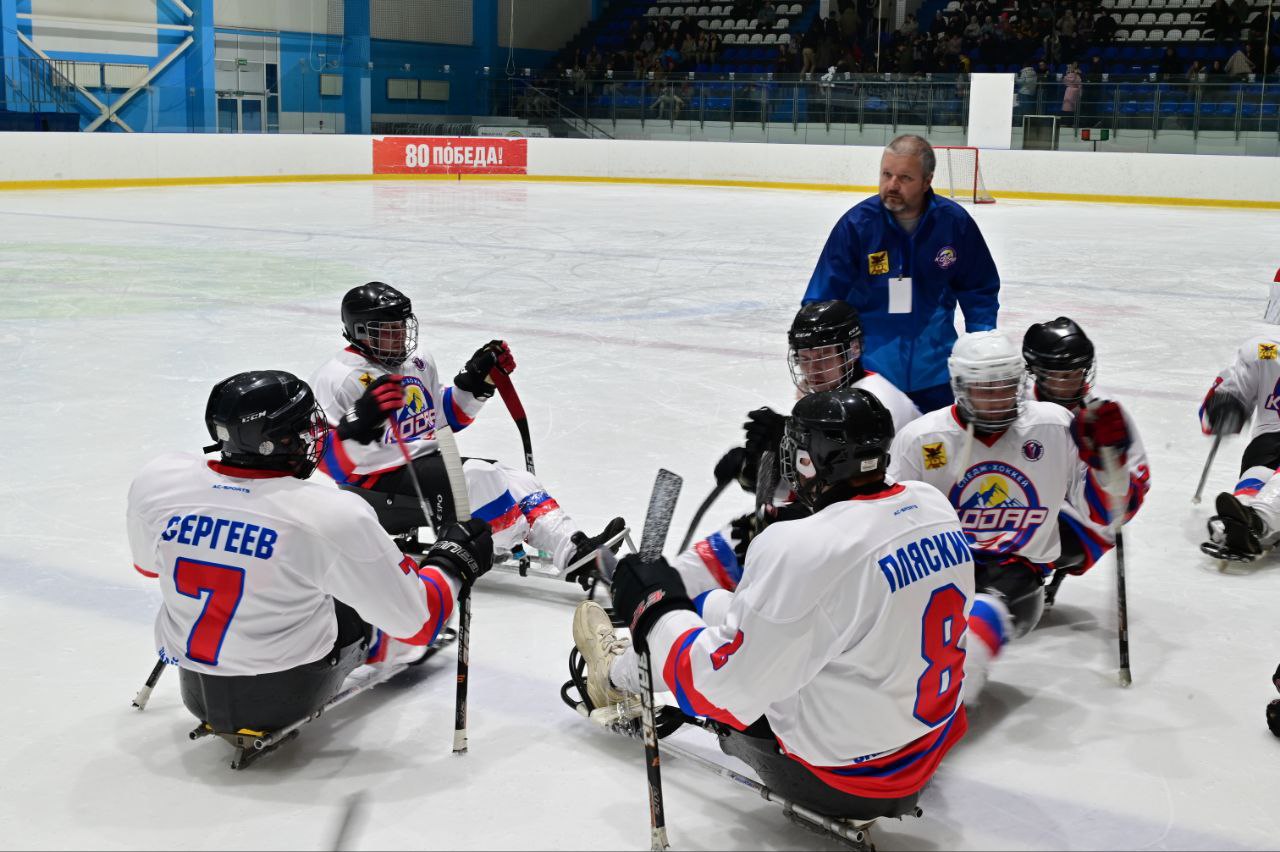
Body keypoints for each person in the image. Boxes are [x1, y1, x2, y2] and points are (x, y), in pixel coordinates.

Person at [567, 388, 975, 820]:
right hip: (927, 742)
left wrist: (655, 607)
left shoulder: (805, 548)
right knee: (716, 603)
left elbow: (720, 690)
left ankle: (611, 677)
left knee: (703, 632)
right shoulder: (931, 503)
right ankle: (625, 668)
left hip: (846, 775)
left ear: (811, 458)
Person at [126, 370, 495, 734]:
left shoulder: (160, 480)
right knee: (356, 583)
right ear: (275, 442)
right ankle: (385, 647)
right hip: (287, 691)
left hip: (195, 685)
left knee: (299, 573)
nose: (314, 436)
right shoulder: (330, 514)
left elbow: (148, 567)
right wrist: (452, 559)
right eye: (302, 429)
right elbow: (420, 623)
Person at [310, 282, 624, 585]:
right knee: (481, 476)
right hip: (374, 482)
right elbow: (325, 459)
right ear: (361, 332)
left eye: (402, 327)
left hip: (422, 463)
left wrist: (477, 382)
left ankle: (576, 550)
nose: (400, 336)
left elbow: (441, 419)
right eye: (388, 330)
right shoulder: (339, 376)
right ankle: (497, 541)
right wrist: (360, 422)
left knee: (515, 478)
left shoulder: (417, 361)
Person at [887, 330, 1134, 701]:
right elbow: (889, 522)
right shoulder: (922, 438)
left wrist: (1108, 462)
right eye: (985, 389)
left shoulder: (1054, 426)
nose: (998, 399)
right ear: (959, 385)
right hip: (940, 567)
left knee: (982, 614)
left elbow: (1106, 512)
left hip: (1018, 572)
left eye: (1006, 386)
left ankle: (957, 687)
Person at [803, 134, 1001, 413]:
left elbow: (979, 290)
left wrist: (981, 349)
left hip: (936, 375)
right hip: (869, 377)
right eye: (886, 174)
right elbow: (820, 302)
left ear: (927, 180)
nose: (892, 185)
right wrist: (817, 362)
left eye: (905, 178)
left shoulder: (954, 224)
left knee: (935, 454)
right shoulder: (856, 225)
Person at [713, 300, 921, 516]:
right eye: (804, 359)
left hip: (899, 517)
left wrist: (783, 515)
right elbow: (816, 486)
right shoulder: (835, 402)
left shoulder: (872, 403)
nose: (812, 370)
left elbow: (860, 496)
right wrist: (757, 469)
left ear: (854, 349)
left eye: (823, 356)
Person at [1022, 317, 1150, 583]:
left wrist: (1111, 464)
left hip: (1082, 525)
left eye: (1079, 372)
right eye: (1063, 376)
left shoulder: (1103, 416)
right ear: (1038, 372)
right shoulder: (1016, 406)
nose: (1074, 382)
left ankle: (1026, 581)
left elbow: (1132, 493)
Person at [1197, 328, 1280, 561]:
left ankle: (1257, 520)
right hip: (1271, 441)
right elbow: (1232, 386)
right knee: (1259, 470)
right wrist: (1225, 405)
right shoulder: (1268, 351)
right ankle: (1240, 517)